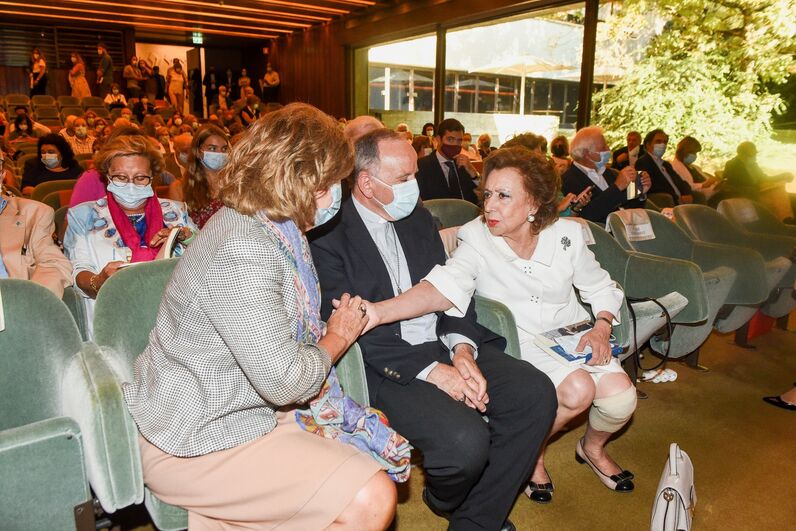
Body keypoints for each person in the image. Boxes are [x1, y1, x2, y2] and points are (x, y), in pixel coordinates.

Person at [121, 103, 396, 530]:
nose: (337, 195)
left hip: (245, 407)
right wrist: (338, 335)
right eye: (331, 183)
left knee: (361, 463)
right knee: (371, 497)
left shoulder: (271, 224)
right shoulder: (245, 246)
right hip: (197, 434)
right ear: (302, 180)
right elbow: (284, 380)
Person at [311, 129, 557, 530]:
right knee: (464, 444)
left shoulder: (418, 217)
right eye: (404, 179)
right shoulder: (327, 234)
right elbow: (350, 324)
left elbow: (453, 289)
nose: (415, 186)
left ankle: (476, 521)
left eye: (415, 175)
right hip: (385, 361)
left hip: (443, 340)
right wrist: (435, 372)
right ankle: (446, 499)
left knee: (535, 394)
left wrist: (462, 350)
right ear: (367, 182)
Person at [366, 146, 637, 505]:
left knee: (621, 399)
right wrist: (377, 312)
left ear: (534, 205)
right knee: (578, 390)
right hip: (519, 339)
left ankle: (590, 447)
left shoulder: (566, 235)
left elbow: (601, 287)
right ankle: (532, 454)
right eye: (488, 194)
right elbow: (444, 287)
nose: (490, 205)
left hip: (575, 333)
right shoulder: (476, 236)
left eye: (504, 196)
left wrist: (602, 326)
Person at [64, 132, 196, 336]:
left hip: (175, 320)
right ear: (107, 176)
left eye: (141, 178)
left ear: (152, 177)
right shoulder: (84, 216)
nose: (131, 184)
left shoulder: (176, 212)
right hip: (112, 319)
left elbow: (208, 258)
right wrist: (97, 282)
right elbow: (78, 270)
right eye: (121, 178)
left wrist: (185, 237)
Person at [561, 126, 651, 224]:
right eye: (603, 147)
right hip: (601, 235)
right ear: (588, 154)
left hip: (626, 229)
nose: (608, 149)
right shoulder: (569, 179)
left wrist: (640, 190)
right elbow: (588, 215)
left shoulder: (609, 173)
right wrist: (617, 187)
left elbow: (626, 207)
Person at [0, 187, 72, 297]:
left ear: (1, 175)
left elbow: (54, 263)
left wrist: (30, 302)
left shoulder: (35, 214)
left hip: (12, 305)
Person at [415, 119, 480, 205]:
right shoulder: (422, 166)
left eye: (459, 141)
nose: (455, 144)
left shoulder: (464, 165)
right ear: (438, 139)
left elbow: (481, 195)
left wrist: (473, 173)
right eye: (450, 139)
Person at [178, 125, 229, 228]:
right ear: (197, 151)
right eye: (212, 148)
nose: (219, 154)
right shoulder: (179, 187)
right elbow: (178, 228)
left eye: (224, 149)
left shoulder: (234, 184)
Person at [635, 129, 694, 205]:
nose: (662, 145)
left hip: (682, 202)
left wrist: (687, 193)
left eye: (665, 142)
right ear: (648, 144)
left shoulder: (666, 164)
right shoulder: (643, 162)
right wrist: (676, 198)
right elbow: (650, 188)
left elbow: (681, 182)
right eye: (658, 141)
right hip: (666, 202)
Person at [722, 141, 793, 201]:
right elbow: (733, 183)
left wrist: (783, 176)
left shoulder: (752, 164)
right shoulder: (733, 165)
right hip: (747, 197)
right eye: (753, 154)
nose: (755, 157)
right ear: (745, 154)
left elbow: (763, 177)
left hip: (755, 192)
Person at [670, 136, 719, 203]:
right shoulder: (675, 167)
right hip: (705, 194)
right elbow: (687, 186)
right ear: (684, 151)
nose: (695, 156)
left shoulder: (694, 167)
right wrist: (703, 185)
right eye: (693, 152)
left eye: (696, 153)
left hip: (712, 191)